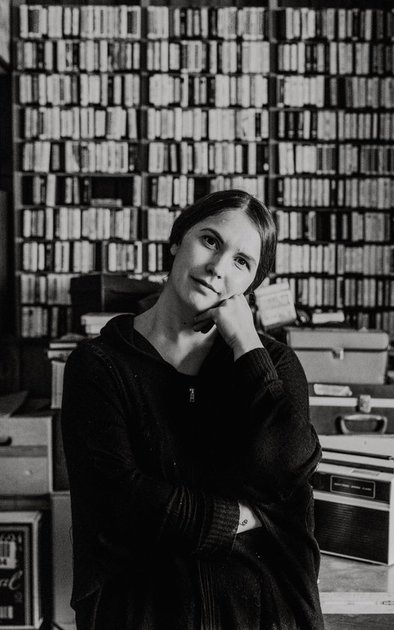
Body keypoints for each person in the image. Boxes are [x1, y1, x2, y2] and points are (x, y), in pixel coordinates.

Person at [61, 189, 325, 630]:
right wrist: (238, 517)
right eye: (210, 241)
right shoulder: (98, 364)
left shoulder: (273, 364)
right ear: (177, 240)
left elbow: (285, 468)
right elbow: (118, 502)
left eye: (242, 262)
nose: (218, 268)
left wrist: (246, 342)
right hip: (142, 614)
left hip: (262, 613)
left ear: (251, 287)